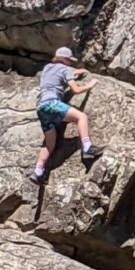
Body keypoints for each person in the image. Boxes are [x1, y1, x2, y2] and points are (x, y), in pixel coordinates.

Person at [29, 46, 104, 185]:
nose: (71, 63)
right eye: (70, 61)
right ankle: (87, 148)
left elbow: (66, 73)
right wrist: (90, 85)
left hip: (41, 108)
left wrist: (77, 71)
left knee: (50, 143)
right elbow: (75, 89)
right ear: (65, 60)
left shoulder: (47, 68)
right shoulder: (65, 69)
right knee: (81, 117)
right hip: (52, 103)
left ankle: (38, 172)